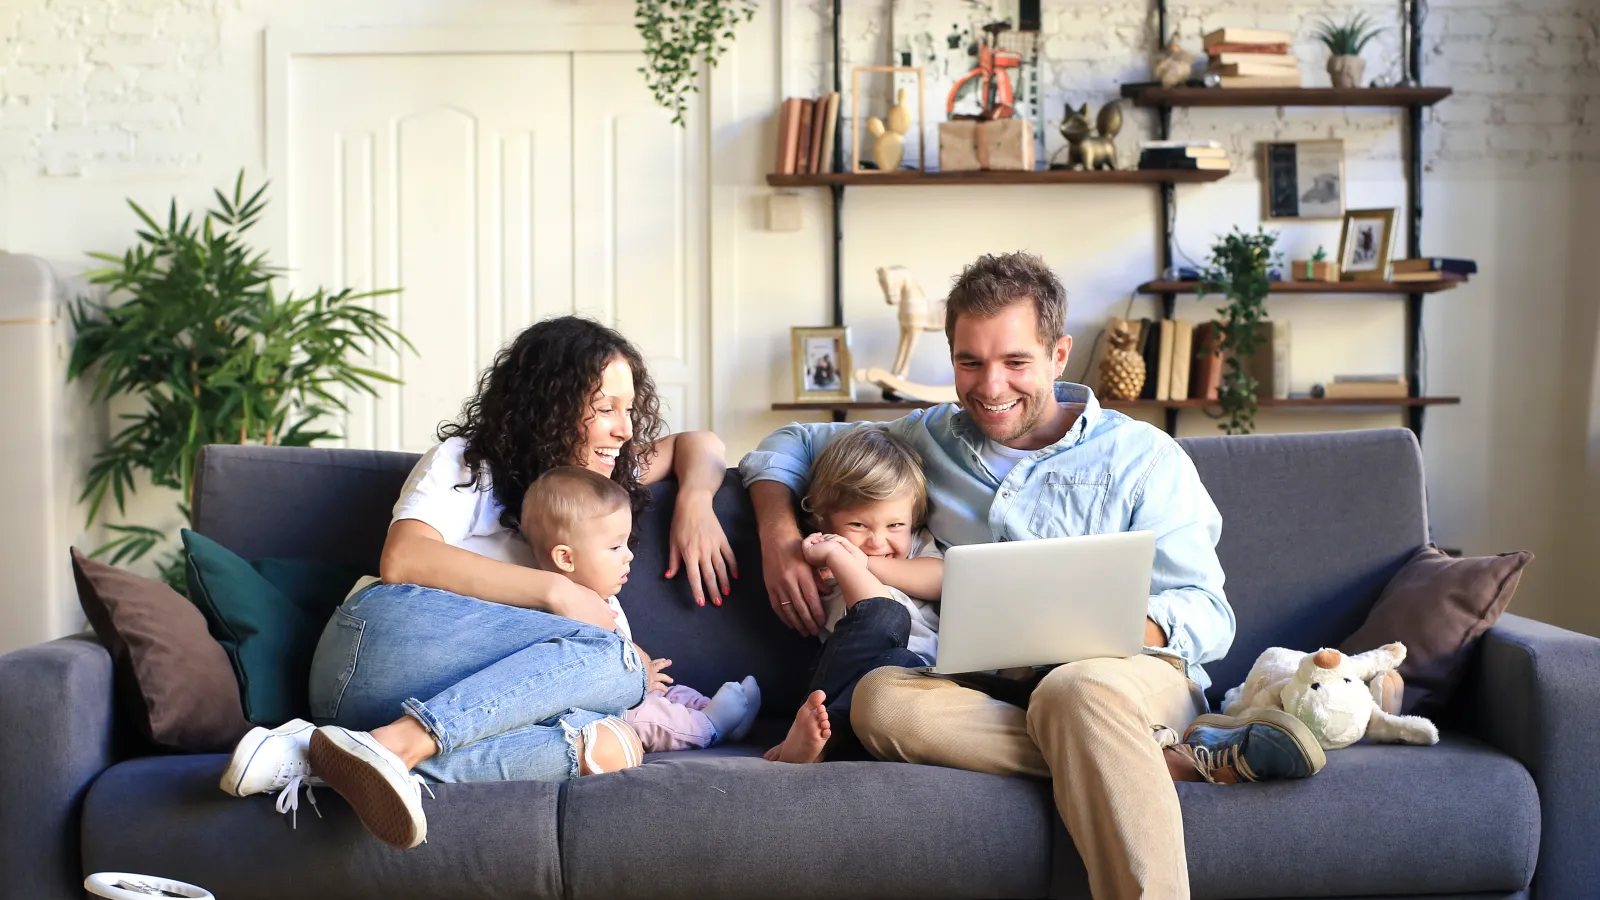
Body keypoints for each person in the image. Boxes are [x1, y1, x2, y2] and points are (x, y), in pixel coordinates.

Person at [740, 252, 1325, 900]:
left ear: (1058, 355)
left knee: (1073, 691)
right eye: (970, 362)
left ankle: (1119, 744)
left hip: (1122, 678)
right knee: (880, 700)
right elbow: (790, 443)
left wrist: (1116, 623)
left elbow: (1208, 612)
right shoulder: (923, 437)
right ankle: (1158, 759)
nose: (990, 387)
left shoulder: (1144, 457)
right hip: (977, 687)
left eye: (1015, 362)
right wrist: (778, 534)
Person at [218, 316, 738, 850]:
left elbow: (698, 443)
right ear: (550, 408)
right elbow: (404, 557)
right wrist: (559, 593)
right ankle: (397, 745)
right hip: (376, 651)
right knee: (619, 661)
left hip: (435, 707)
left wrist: (696, 504)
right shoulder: (469, 463)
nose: (626, 429)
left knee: (613, 743)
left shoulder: (600, 480)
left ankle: (324, 755)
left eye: (629, 409)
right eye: (606, 409)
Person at [520, 466, 762, 752]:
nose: (630, 555)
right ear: (565, 558)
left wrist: (643, 672)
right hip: (602, 711)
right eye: (614, 548)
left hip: (629, 690)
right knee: (646, 718)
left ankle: (723, 715)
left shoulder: (603, 598)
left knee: (671, 693)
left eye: (626, 544)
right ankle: (710, 727)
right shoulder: (559, 611)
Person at [762, 427, 945, 764]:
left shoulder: (915, 546)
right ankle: (813, 742)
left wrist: (863, 561)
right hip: (852, 676)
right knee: (886, 619)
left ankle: (824, 748)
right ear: (823, 517)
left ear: (914, 520)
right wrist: (839, 558)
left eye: (895, 526)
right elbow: (879, 610)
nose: (878, 541)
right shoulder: (823, 554)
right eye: (859, 526)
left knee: (905, 663)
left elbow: (942, 578)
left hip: (916, 680)